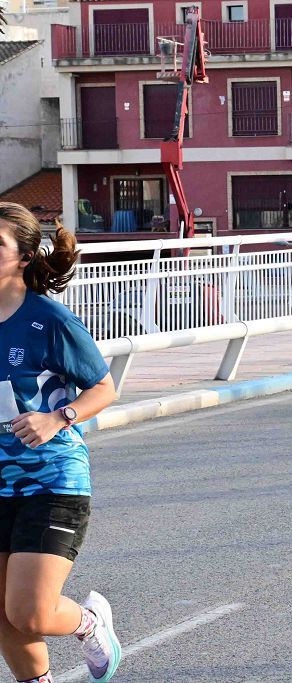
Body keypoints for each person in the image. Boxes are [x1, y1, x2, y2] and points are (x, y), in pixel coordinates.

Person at [0, 203, 120, 683]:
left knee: (28, 612)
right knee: (3, 616)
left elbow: (105, 388)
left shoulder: (48, 319)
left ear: (24, 258)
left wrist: (58, 417)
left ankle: (91, 625)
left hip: (51, 479)